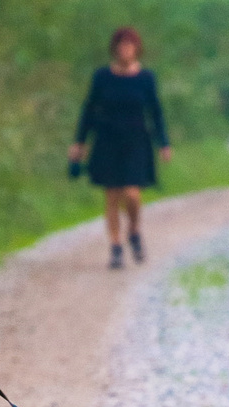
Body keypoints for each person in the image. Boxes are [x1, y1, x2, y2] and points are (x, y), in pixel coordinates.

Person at [68, 27, 172, 269]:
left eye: (130, 45)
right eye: (121, 45)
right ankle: (115, 246)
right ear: (114, 49)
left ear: (136, 49)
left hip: (137, 140)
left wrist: (163, 143)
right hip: (107, 139)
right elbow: (89, 110)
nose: (125, 50)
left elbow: (155, 112)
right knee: (112, 195)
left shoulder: (146, 78)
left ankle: (134, 230)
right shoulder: (102, 77)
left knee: (132, 194)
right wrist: (79, 142)